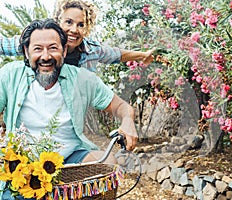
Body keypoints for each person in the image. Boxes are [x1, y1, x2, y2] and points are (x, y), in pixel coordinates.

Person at [0, 18, 138, 163]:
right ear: (26, 52)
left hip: (71, 158)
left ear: (64, 50)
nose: (46, 56)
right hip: (20, 161)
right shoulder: (10, 74)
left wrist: (127, 121)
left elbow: (122, 106)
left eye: (53, 48)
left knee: (108, 162)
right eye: (38, 49)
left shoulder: (82, 79)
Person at [0, 0, 154, 72]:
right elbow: (4, 45)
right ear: (58, 20)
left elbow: (117, 55)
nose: (74, 30)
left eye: (81, 25)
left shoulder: (92, 50)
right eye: (68, 22)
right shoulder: (39, 40)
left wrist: (142, 55)